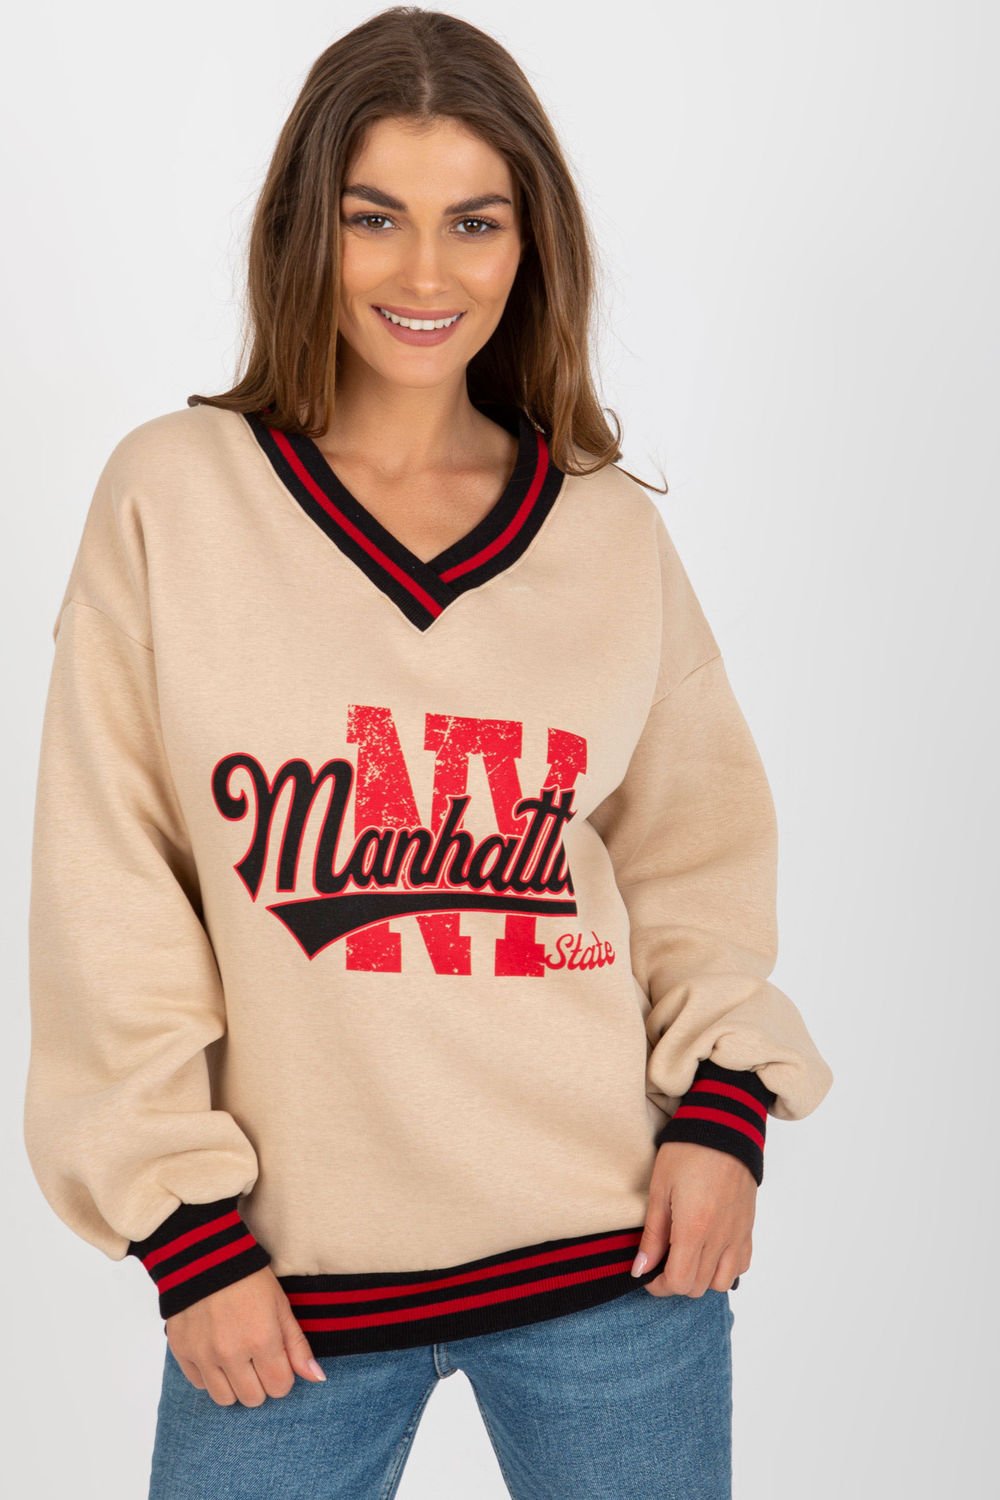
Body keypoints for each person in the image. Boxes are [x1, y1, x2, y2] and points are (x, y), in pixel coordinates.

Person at [23, 7, 834, 1497]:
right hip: (280, 1296)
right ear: (304, 230)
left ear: (531, 244)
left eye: (474, 221)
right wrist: (184, 1235)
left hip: (619, 1263)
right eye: (373, 217)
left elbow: (695, 855)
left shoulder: (603, 528)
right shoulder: (172, 498)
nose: (424, 273)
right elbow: (110, 887)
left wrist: (725, 1117)